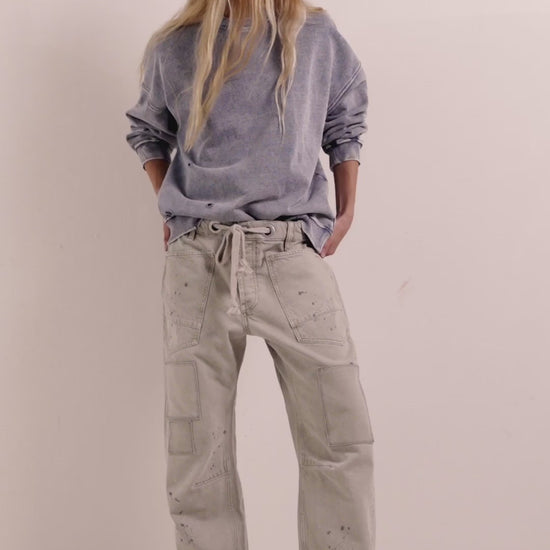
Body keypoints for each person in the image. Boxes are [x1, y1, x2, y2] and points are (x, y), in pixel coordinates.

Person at [124, 1, 375, 548]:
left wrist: (347, 209)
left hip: (291, 252)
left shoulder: (313, 34)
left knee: (340, 437)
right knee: (197, 456)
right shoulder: (178, 44)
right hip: (200, 261)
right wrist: (172, 210)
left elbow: (345, 118)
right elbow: (147, 130)